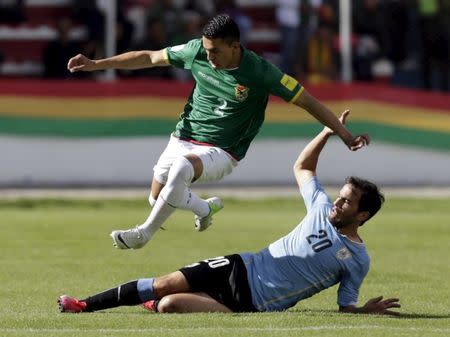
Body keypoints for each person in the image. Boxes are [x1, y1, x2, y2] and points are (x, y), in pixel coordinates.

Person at [67, 14, 369, 250]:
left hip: (224, 149)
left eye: (215, 51)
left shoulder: (261, 72)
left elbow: (307, 101)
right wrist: (97, 64)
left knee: (182, 172)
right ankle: (204, 208)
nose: (209, 56)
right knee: (158, 197)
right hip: (184, 135)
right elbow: (150, 57)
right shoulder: (196, 50)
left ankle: (144, 233)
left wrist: (344, 134)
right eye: (206, 49)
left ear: (235, 47)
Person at [58, 111, 400, 315]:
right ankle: (83, 305)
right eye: (340, 197)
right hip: (241, 264)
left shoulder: (356, 259)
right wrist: (327, 131)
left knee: (167, 305)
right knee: (163, 283)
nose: (337, 203)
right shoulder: (320, 207)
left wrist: (364, 310)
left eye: (347, 202)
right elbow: (303, 166)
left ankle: (162, 301)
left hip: (252, 301)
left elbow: (345, 305)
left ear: (363, 215)